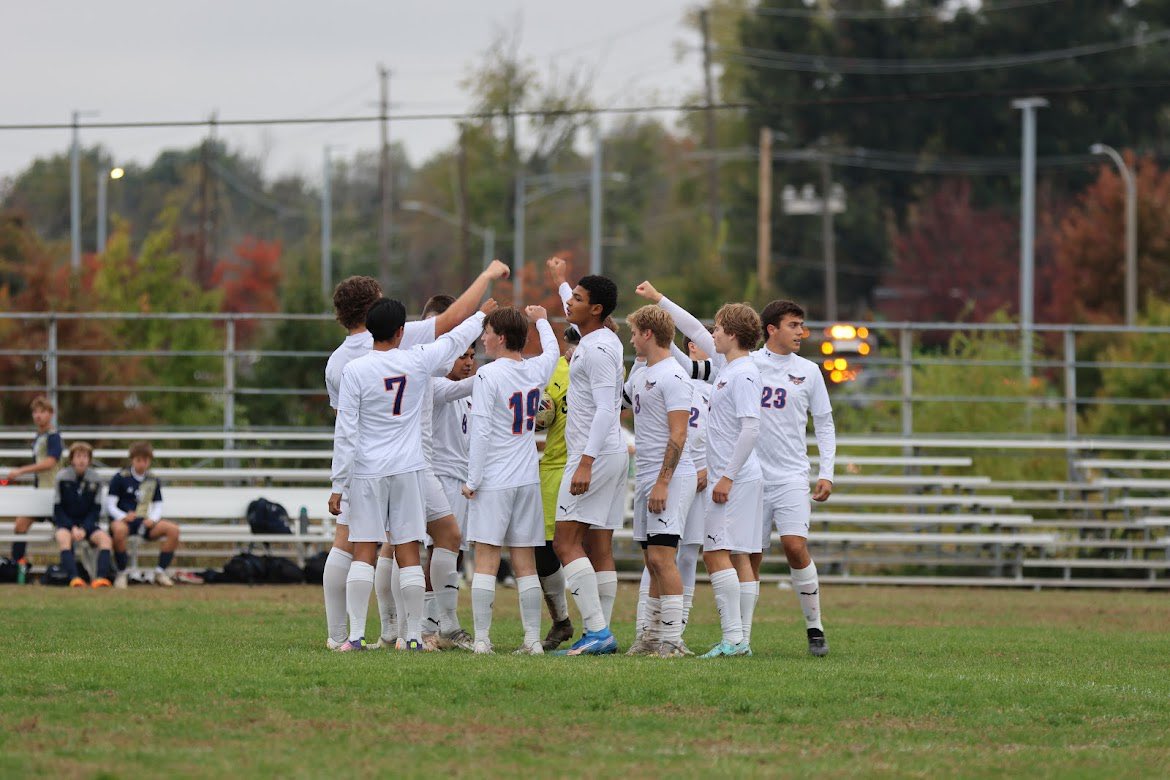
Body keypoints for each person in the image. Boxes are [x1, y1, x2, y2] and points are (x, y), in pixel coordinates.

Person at [321, 263, 508, 651]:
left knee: (360, 548)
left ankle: (350, 635)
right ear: (399, 328)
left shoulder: (346, 366)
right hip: (410, 467)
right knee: (409, 550)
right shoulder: (416, 356)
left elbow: (345, 431)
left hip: (366, 470)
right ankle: (408, 635)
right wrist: (481, 310)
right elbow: (453, 332)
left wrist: (339, 483)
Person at [636, 281, 763, 658]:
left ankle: (735, 639)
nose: (712, 335)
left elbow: (751, 428)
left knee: (717, 553)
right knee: (729, 553)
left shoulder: (744, 373)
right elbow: (689, 328)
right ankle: (738, 639)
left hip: (733, 475)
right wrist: (660, 299)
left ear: (734, 335)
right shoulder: (728, 366)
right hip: (731, 473)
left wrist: (726, 475)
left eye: (719, 329)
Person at [461, 306, 560, 654]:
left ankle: (483, 640)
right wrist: (544, 319)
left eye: (487, 332)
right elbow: (554, 352)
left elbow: (481, 431)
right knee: (525, 562)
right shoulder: (534, 369)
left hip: (495, 479)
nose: (483, 338)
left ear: (501, 337)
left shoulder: (490, 375)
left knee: (486, 557)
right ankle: (532, 640)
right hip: (526, 478)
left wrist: (472, 480)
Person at [546, 257, 627, 656]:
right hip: (609, 453)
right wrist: (562, 281)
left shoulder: (595, 350)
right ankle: (601, 631)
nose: (569, 303)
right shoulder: (602, 336)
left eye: (577, 299)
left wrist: (585, 461)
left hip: (594, 455)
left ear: (596, 309)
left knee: (565, 543)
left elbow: (606, 409)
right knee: (599, 546)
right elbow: (578, 310)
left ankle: (597, 632)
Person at [749, 299, 836, 657]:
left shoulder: (809, 371)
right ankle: (740, 636)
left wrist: (826, 472)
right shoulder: (748, 364)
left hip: (790, 476)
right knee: (749, 556)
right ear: (772, 329)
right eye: (794, 325)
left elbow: (825, 423)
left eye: (802, 325)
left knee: (795, 547)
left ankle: (815, 628)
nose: (801, 332)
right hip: (750, 476)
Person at [620, 305, 697, 658]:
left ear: (648, 333)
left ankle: (672, 640)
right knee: (652, 560)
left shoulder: (674, 376)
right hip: (647, 476)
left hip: (670, 477)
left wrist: (663, 482)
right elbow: (615, 404)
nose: (632, 338)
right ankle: (650, 637)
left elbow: (679, 434)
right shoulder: (640, 374)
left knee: (665, 558)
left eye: (635, 332)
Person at [534, 325, 579, 651]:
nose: (571, 348)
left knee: (593, 548)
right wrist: (540, 411)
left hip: (595, 468)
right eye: (570, 341)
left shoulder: (609, 365)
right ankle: (562, 620)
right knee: (545, 549)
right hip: (554, 470)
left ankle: (598, 627)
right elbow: (540, 415)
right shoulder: (554, 370)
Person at [107, 441, 181, 588]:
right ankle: (122, 573)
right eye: (138, 460)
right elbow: (110, 505)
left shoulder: (153, 479)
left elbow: (158, 504)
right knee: (119, 530)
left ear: (150, 461)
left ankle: (160, 572)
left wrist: (152, 519)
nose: (142, 464)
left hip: (144, 522)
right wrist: (123, 516)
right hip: (125, 522)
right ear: (132, 460)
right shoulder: (120, 477)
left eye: (145, 460)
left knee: (173, 530)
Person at [6, 396, 64, 573]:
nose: (38, 416)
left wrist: (22, 470)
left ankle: (69, 569)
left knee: (64, 531)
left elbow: (50, 462)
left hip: (54, 494)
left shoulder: (53, 437)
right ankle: (18, 566)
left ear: (51, 414)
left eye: (42, 412)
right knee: (20, 525)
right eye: (35, 412)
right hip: (40, 493)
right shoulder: (39, 437)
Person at [52, 442, 114, 588]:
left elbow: (95, 510)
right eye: (78, 456)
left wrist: (85, 529)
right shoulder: (62, 477)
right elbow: (58, 509)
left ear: (89, 460)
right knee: (63, 538)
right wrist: (72, 527)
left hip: (87, 525)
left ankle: (100, 578)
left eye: (85, 456)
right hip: (67, 524)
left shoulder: (96, 479)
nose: (81, 460)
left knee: (105, 540)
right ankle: (74, 578)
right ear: (72, 459)